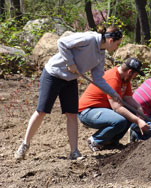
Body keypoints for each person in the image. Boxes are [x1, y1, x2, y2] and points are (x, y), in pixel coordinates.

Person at [15, 25, 123, 160]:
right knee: (42, 110)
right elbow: (62, 43)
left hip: (70, 79)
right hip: (53, 74)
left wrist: (112, 93)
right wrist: (70, 63)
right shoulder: (89, 38)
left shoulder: (100, 56)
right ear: (111, 41)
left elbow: (98, 79)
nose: (117, 48)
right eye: (118, 44)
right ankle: (25, 145)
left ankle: (74, 152)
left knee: (72, 114)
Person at [78, 57, 150, 152]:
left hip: (103, 110)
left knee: (132, 111)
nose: (135, 77)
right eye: (135, 74)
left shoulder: (125, 79)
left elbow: (127, 98)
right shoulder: (113, 78)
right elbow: (116, 107)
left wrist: (138, 108)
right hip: (88, 112)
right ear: (129, 72)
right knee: (119, 120)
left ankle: (111, 142)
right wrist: (138, 121)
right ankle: (95, 140)